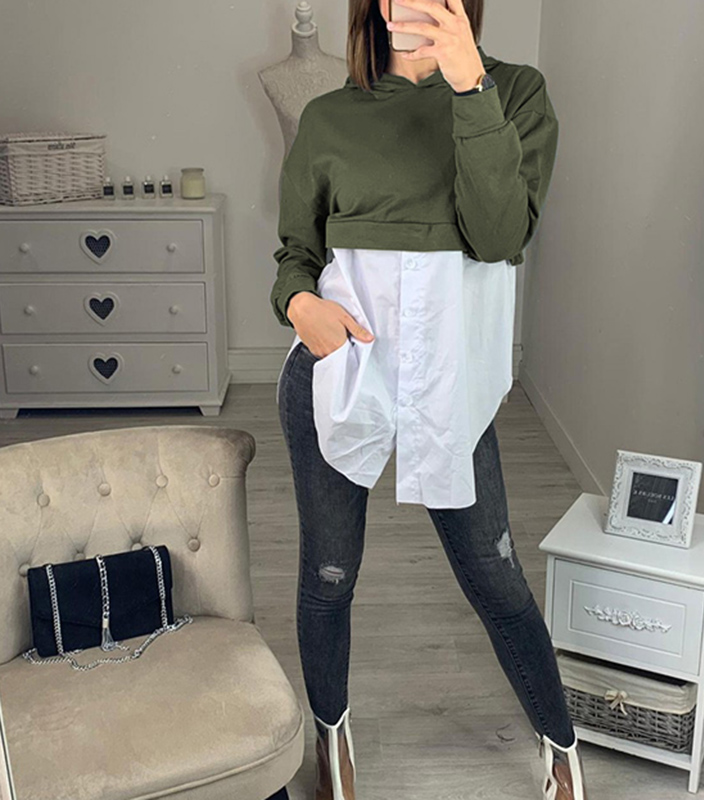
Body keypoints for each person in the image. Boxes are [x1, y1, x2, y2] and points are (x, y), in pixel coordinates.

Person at [270, 1, 590, 798]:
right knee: (329, 576)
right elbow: (296, 253)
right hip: (340, 367)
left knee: (495, 573)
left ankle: (560, 748)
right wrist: (301, 308)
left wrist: (470, 88)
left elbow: (499, 236)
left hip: (453, 380)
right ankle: (333, 741)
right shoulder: (328, 115)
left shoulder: (514, 93)